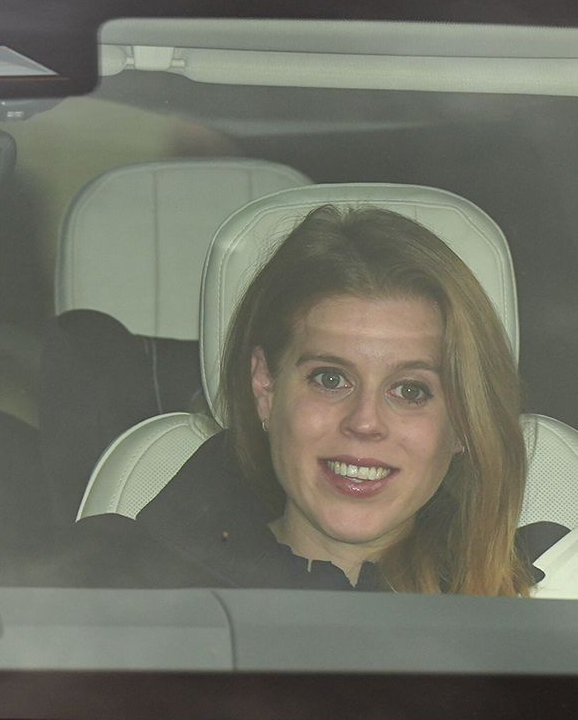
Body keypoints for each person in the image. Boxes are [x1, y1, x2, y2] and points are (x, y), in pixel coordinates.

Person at [61, 204, 561, 594]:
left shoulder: (550, 592)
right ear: (265, 388)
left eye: (411, 391)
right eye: (329, 379)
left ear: (463, 423)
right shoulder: (112, 583)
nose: (365, 422)